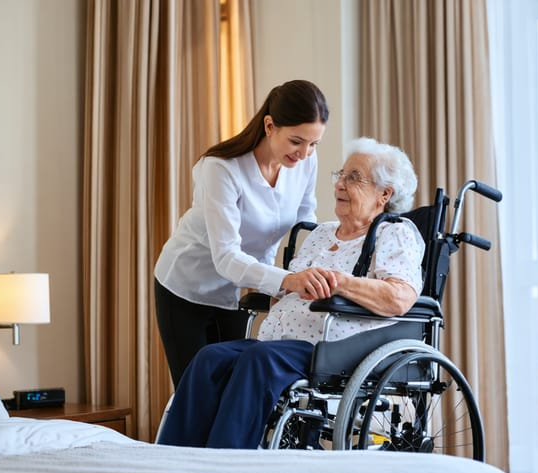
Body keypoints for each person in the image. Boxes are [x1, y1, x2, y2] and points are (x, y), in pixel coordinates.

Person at [156, 137, 423, 449]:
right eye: (341, 174)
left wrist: (339, 282)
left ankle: (225, 462)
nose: (340, 184)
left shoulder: (395, 233)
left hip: (335, 348)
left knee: (259, 361)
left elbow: (400, 297)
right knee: (210, 358)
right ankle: (179, 456)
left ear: (384, 194)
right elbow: (289, 284)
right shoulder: (321, 233)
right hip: (283, 344)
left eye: (354, 178)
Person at [154, 79, 330, 387]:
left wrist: (314, 266)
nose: (304, 154)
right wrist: (285, 281)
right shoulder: (222, 168)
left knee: (231, 388)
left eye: (313, 144)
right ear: (270, 125)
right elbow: (225, 258)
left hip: (237, 290)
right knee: (195, 392)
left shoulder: (304, 163)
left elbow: (306, 221)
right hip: (187, 285)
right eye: (296, 141)